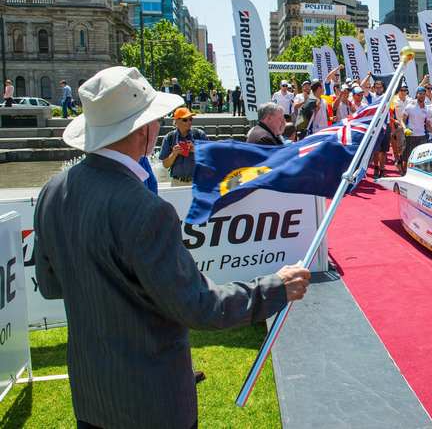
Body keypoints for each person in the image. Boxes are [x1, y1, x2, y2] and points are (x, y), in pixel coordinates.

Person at [34, 66, 310, 429]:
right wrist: (275, 287)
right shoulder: (146, 210)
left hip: (92, 396)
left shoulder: (52, 191)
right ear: (145, 131)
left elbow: (51, 284)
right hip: (152, 405)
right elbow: (198, 306)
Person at [159, 107, 208, 186]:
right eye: (185, 120)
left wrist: (195, 150)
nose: (189, 122)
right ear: (176, 121)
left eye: (190, 119)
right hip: (177, 182)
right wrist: (174, 154)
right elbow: (165, 165)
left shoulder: (199, 134)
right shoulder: (169, 137)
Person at [402, 86, 430, 173]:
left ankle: (417, 174)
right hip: (411, 135)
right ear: (416, 95)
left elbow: (427, 123)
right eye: (420, 94)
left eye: (423, 94)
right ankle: (404, 173)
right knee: (407, 157)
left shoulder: (427, 108)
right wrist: (405, 129)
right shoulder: (410, 106)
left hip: (422, 136)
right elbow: (402, 120)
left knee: (420, 158)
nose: (422, 96)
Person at [391, 86, 410, 174]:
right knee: (401, 148)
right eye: (401, 90)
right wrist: (395, 122)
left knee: (407, 147)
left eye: (405, 90)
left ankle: (402, 165)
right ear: (398, 91)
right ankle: (400, 164)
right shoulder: (393, 101)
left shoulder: (410, 100)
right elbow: (390, 114)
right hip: (399, 127)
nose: (403, 91)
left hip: (409, 127)